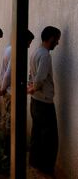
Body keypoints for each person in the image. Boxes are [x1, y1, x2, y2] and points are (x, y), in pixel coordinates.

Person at [28, 26, 61, 175]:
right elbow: (40, 78)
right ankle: (46, 169)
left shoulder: (36, 51)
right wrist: (33, 88)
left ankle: (34, 163)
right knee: (50, 139)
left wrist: (31, 89)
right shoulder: (46, 55)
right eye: (57, 39)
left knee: (36, 133)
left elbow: (32, 75)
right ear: (51, 38)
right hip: (44, 103)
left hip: (35, 101)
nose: (58, 43)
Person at [0, 30, 34, 133]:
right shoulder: (16, 52)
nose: (29, 46)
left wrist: (2, 86)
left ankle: (4, 143)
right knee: (10, 122)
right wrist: (3, 88)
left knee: (6, 117)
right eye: (29, 42)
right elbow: (9, 74)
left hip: (7, 90)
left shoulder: (8, 48)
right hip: (10, 91)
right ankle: (7, 146)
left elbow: (3, 70)